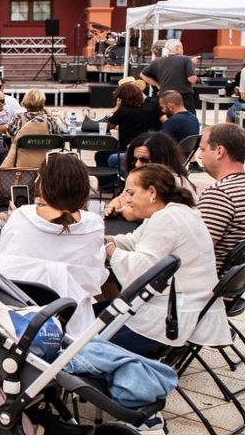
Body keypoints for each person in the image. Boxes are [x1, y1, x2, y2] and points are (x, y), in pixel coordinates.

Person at [106, 164, 228, 360]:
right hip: (188, 308)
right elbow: (135, 241)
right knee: (99, 315)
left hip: (171, 317)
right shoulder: (175, 211)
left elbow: (142, 269)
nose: (125, 199)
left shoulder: (167, 218)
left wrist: (108, 249)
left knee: (87, 336)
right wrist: (109, 240)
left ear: (152, 191)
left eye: (130, 193)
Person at [0, 154, 108, 332]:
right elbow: (94, 280)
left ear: (43, 185)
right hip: (73, 324)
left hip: (17, 318)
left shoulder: (22, 215)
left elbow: (2, 264)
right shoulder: (94, 224)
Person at [104, 132, 195, 220]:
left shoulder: (173, 182)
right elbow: (121, 198)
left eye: (145, 160)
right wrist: (112, 207)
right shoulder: (142, 177)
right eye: (134, 159)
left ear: (162, 159)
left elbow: (135, 214)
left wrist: (123, 209)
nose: (137, 165)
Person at [196, 123, 245, 273]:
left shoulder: (220, 195)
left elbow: (195, 252)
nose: (199, 155)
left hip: (207, 289)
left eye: (203, 149)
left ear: (219, 151)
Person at [106, 80, 162, 170]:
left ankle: (109, 182)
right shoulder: (150, 108)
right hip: (147, 147)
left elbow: (109, 125)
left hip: (127, 148)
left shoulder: (123, 110)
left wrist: (116, 108)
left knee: (101, 155)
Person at [142, 39, 197, 111]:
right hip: (183, 96)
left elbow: (142, 74)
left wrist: (157, 84)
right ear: (177, 49)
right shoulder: (185, 59)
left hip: (164, 96)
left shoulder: (158, 62)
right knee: (188, 119)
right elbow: (192, 79)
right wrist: (192, 66)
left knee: (166, 119)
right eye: (182, 48)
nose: (183, 50)